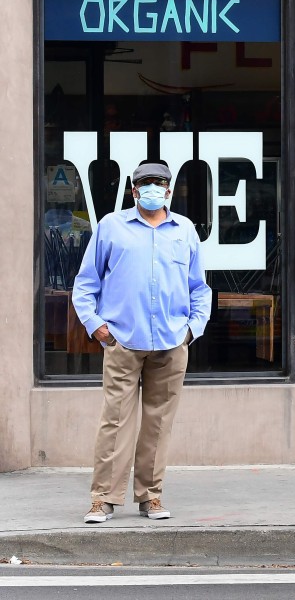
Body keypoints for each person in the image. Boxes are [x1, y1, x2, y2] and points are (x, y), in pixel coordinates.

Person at [72, 162, 212, 523]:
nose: (152, 189)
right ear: (133, 191)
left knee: (158, 423)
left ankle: (150, 496)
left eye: (159, 184)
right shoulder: (111, 227)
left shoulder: (184, 231)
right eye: (145, 184)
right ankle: (102, 499)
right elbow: (86, 283)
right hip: (123, 341)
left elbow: (199, 287)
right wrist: (98, 327)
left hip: (170, 342)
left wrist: (191, 330)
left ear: (169, 190)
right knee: (115, 421)